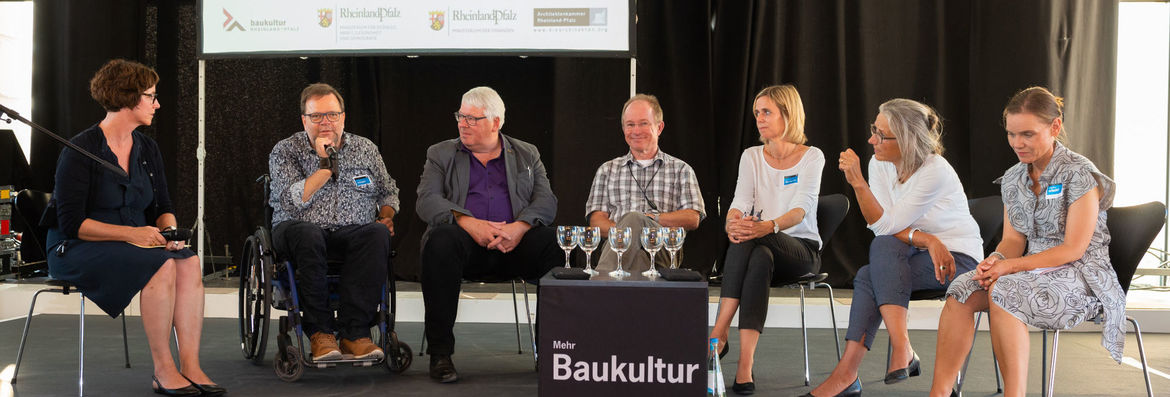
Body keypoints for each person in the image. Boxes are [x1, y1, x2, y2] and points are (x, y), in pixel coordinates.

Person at [929, 87, 1124, 397]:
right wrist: (996, 260)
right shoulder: (1013, 178)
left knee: (1004, 289)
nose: (1017, 143)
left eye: (1028, 134)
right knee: (962, 289)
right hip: (1027, 271)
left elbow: (1073, 249)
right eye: (1011, 134)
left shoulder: (1080, 175)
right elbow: (1013, 240)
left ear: (1055, 127)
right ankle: (938, 393)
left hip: (1080, 276)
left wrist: (1010, 268)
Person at [45, 59, 225, 396]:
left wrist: (170, 235)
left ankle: (191, 365)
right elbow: (71, 223)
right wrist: (133, 234)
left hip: (132, 244)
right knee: (160, 268)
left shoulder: (147, 148)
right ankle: (163, 369)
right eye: (151, 96)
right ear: (128, 97)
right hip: (76, 247)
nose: (157, 104)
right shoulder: (80, 150)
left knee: (188, 262)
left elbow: (163, 208)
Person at [806, 99, 983, 397]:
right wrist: (927, 239)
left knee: (867, 274)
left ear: (907, 140)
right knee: (879, 253)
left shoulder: (934, 171)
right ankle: (899, 352)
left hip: (957, 259)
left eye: (881, 134)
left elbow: (885, 225)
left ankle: (849, 375)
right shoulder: (881, 163)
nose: (871, 139)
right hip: (914, 252)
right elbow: (883, 224)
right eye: (873, 129)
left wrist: (858, 184)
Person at [416, 86, 560, 383]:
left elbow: (546, 202)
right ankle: (440, 353)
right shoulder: (441, 153)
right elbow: (427, 200)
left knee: (555, 242)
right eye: (460, 116)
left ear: (496, 122)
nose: (462, 124)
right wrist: (469, 222)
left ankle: (551, 350)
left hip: (514, 244)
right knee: (441, 240)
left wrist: (519, 228)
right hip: (464, 246)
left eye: (472, 119)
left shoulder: (526, 153)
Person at [268, 83, 399, 364]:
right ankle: (321, 333)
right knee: (308, 233)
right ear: (304, 120)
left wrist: (386, 215)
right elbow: (292, 201)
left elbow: (388, 190)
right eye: (316, 116)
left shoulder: (365, 149)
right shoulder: (286, 151)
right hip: (297, 229)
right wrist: (326, 164)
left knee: (376, 234)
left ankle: (355, 334)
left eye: (332, 115)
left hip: (351, 231)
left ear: (343, 117)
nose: (325, 122)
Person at [710, 84, 824, 395]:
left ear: (788, 114)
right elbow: (740, 200)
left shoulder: (812, 157)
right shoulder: (751, 156)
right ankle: (745, 366)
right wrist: (732, 223)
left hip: (800, 251)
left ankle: (718, 334)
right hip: (761, 248)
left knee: (754, 236)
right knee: (756, 251)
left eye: (767, 112)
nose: (759, 119)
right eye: (757, 113)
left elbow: (801, 210)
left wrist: (768, 226)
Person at [585, 94, 705, 273]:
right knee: (639, 258)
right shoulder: (607, 170)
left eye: (643, 123)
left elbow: (693, 218)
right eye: (630, 124)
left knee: (634, 218)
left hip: (664, 248)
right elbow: (596, 221)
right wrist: (627, 234)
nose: (636, 131)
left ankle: (600, 285)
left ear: (659, 127)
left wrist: (650, 219)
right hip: (617, 248)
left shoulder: (681, 170)